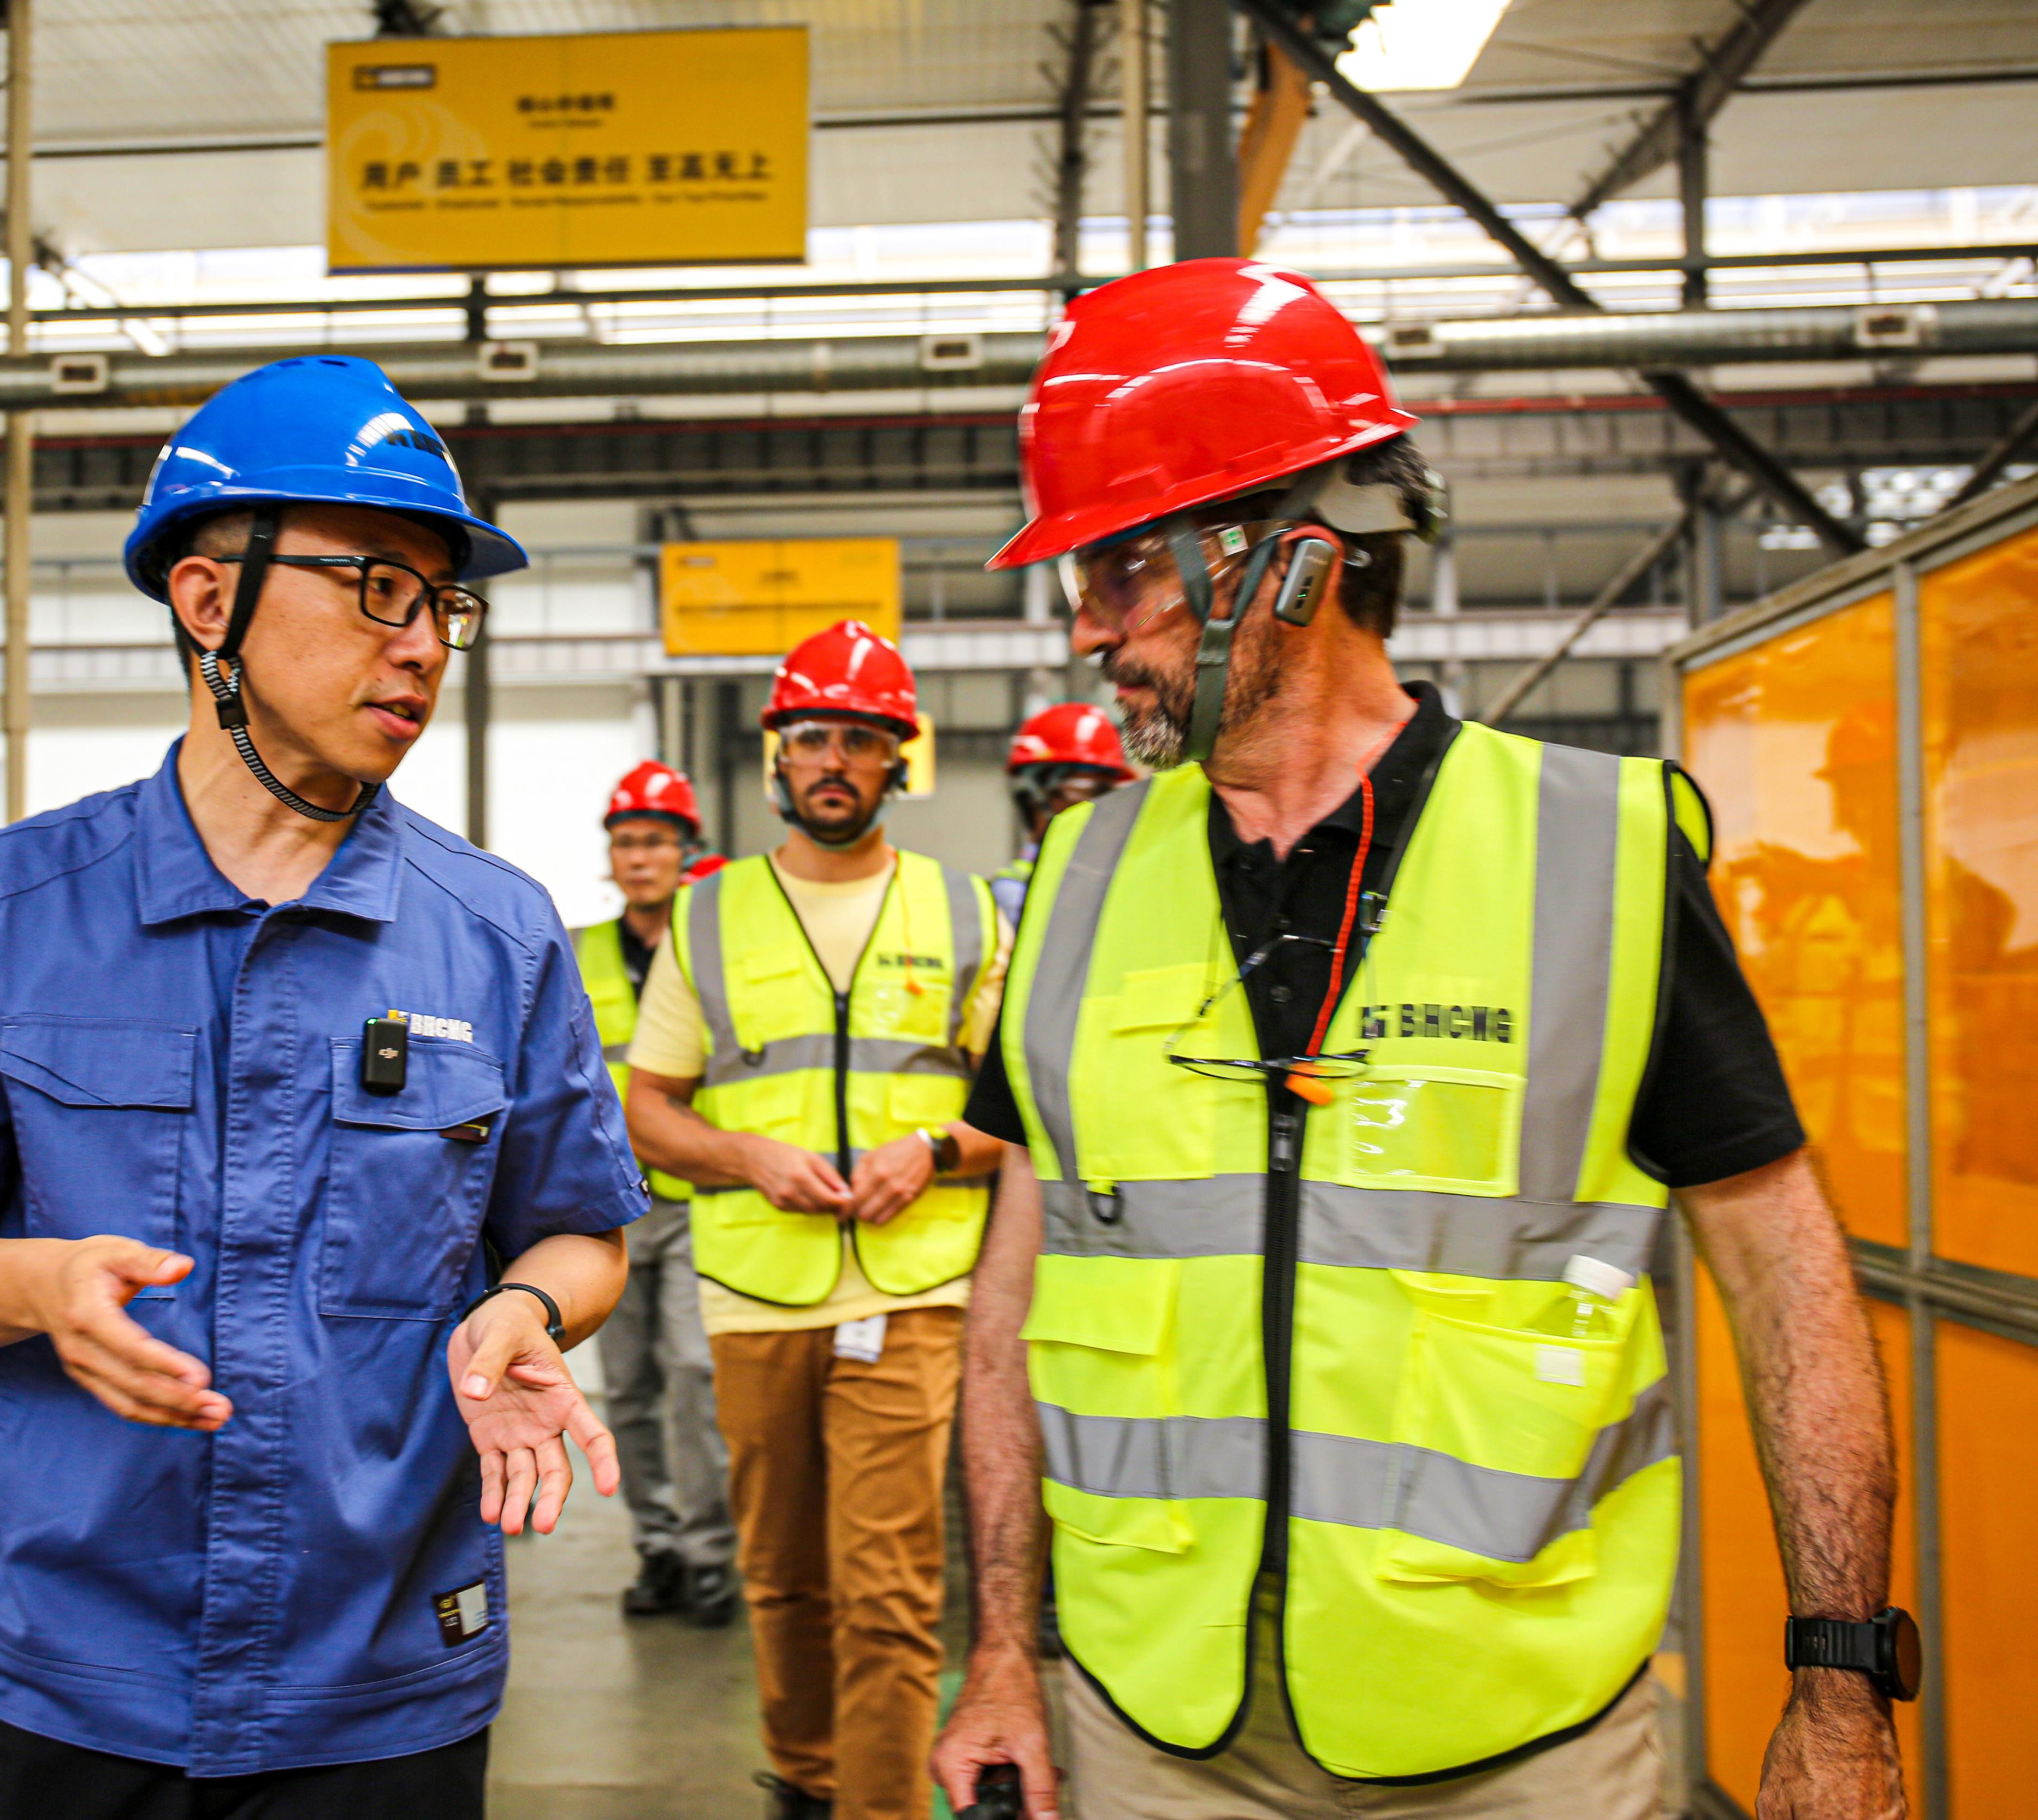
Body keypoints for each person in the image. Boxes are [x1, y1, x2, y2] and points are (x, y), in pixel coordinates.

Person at [933, 259, 1911, 1820]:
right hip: (1151, 1727)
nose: (1091, 633)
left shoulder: (1596, 854)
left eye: (1119, 571)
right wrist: (1000, 1652)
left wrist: (1839, 1684)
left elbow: (1785, 1279)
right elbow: (1012, 1301)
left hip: (1518, 1741)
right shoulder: (1076, 883)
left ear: (1291, 566)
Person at [0, 356, 647, 1820]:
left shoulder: (498, 932)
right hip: (62, 1664)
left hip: (375, 1677)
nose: (424, 645)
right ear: (210, 602)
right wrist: (38, 1282)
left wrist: (526, 1307)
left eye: (442, 603)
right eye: (377, 587)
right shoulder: (11, 904)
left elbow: (580, 1229)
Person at [623, 620, 1013, 1820]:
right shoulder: (710, 916)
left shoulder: (964, 911)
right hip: (753, 1294)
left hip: (911, 1292)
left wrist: (933, 1149)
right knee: (783, 1576)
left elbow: (1022, 1110)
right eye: (811, 738)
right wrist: (747, 1156)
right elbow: (649, 1110)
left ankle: (881, 1808)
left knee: (889, 1586)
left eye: (859, 738)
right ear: (778, 755)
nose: (833, 760)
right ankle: (804, 1782)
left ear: (898, 758)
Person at [573, 760, 740, 1626]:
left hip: (693, 1201)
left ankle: (712, 1555)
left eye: (655, 842)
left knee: (695, 1376)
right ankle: (659, 1547)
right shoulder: (579, 953)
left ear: (686, 851)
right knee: (629, 1386)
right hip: (606, 1206)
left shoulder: (716, 948)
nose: (639, 858)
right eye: (625, 842)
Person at [993, 702, 1136, 923]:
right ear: (1034, 795)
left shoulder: (1122, 876)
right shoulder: (1014, 893)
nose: (1098, 806)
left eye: (1108, 793)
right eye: (1083, 790)